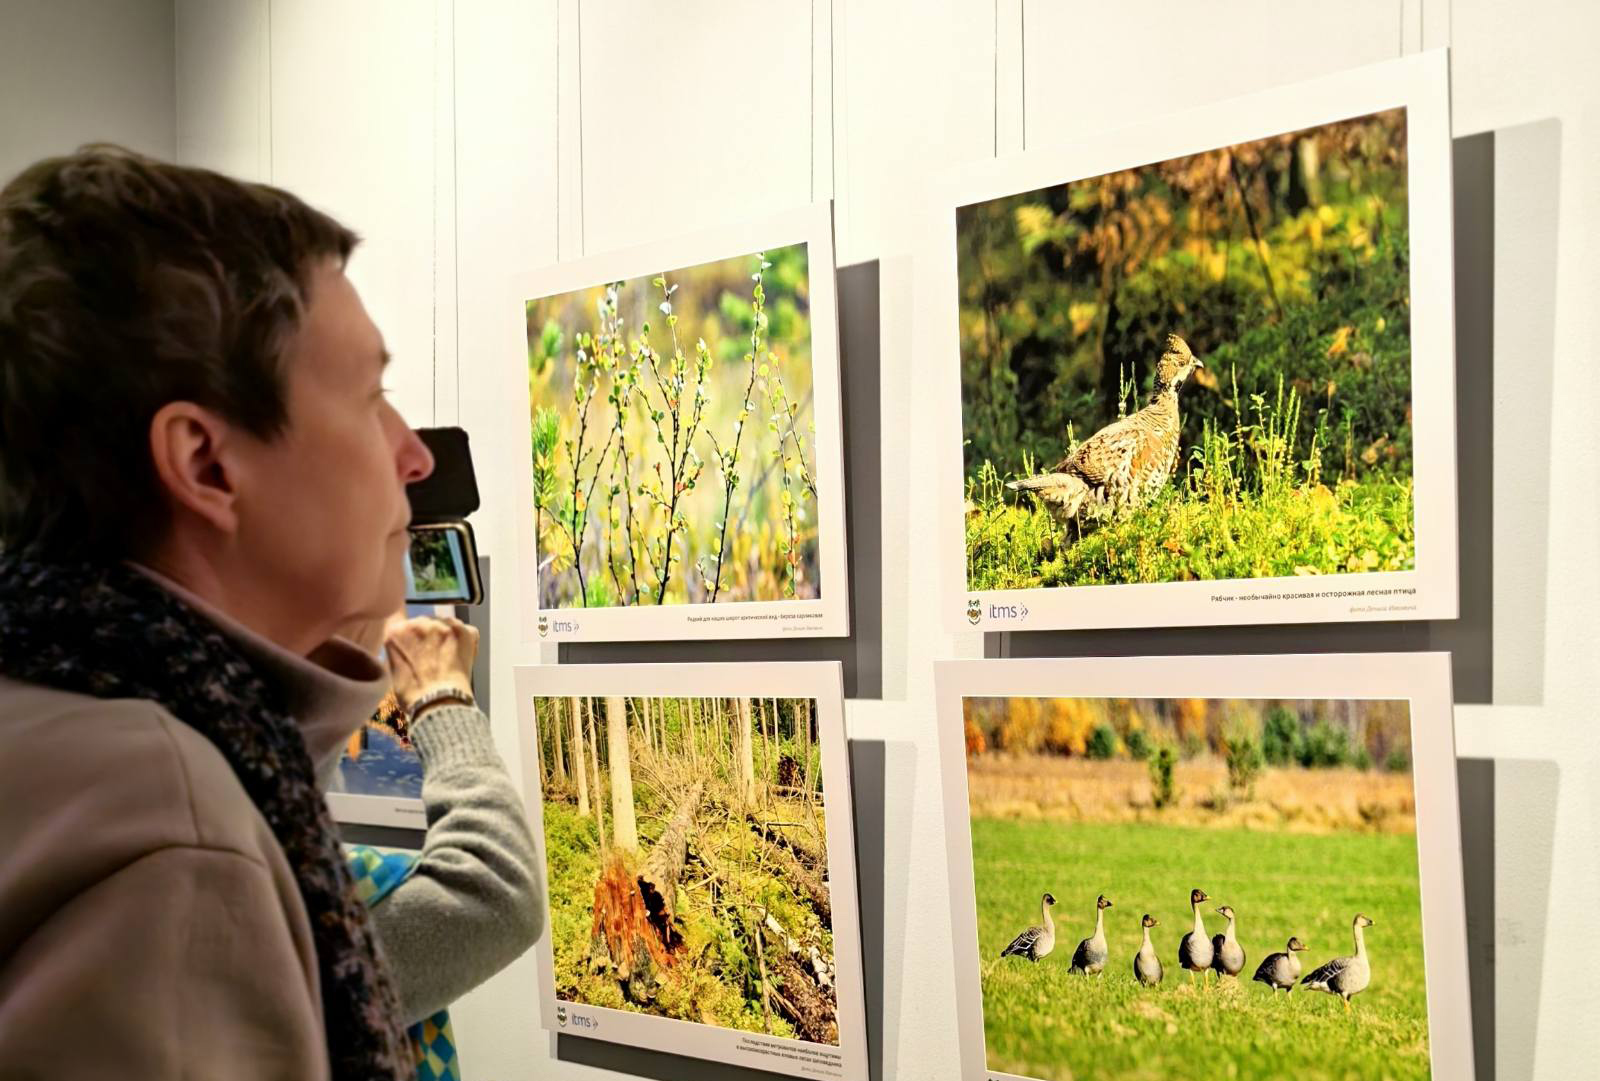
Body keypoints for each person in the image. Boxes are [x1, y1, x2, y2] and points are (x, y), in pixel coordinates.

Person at [0, 146, 539, 1080]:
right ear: (208, 464)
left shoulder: (63, 728)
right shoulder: (169, 839)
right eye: (371, 393)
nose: (412, 454)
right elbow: (491, 896)